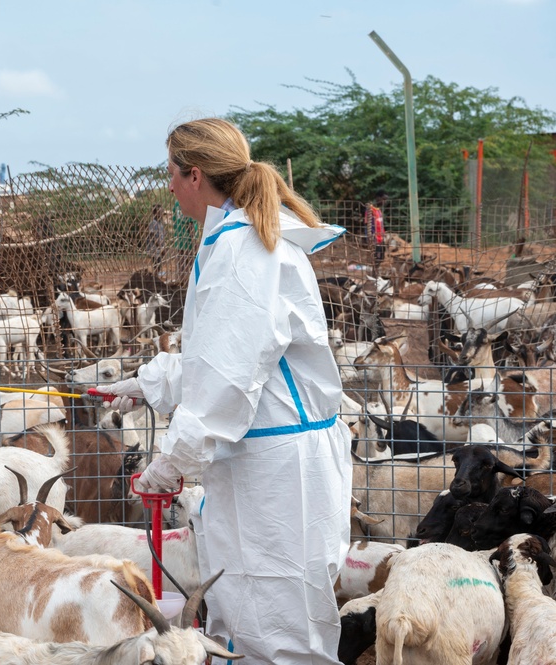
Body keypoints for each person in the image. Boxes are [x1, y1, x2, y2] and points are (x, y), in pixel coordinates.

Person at [100, 118, 352, 664]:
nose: (167, 185)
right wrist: (148, 382)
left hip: (276, 474)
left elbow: (230, 379)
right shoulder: (233, 242)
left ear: (194, 175)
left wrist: (172, 463)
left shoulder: (243, 252)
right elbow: (227, 357)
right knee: (249, 614)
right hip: (262, 462)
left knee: (279, 628)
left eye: (170, 172)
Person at [365, 191, 388, 269]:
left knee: (381, 257)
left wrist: (383, 236)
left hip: (380, 238)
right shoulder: (370, 210)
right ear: (378, 198)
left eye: (385, 200)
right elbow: (367, 224)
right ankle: (374, 273)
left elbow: (380, 224)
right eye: (383, 199)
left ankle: (376, 272)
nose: (384, 202)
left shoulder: (378, 210)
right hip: (374, 238)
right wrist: (370, 237)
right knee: (375, 258)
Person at [145, 204, 168, 276]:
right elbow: (152, 236)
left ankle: (157, 274)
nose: (161, 214)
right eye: (159, 212)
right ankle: (156, 275)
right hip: (154, 247)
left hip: (159, 246)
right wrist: (160, 246)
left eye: (162, 212)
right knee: (156, 262)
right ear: (155, 213)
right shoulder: (153, 223)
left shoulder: (160, 224)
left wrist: (163, 245)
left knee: (159, 262)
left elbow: (163, 234)